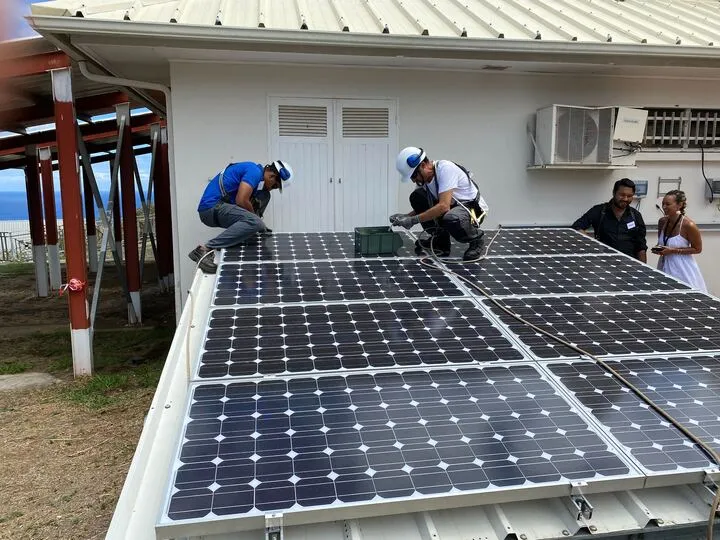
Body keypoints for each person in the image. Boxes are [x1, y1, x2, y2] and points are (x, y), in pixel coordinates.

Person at [189, 160, 294, 273]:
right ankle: (204, 249)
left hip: (221, 207)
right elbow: (241, 200)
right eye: (274, 186)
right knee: (256, 222)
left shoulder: (257, 179)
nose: (272, 188)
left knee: (264, 195)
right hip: (211, 208)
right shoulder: (254, 171)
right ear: (272, 176)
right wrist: (256, 221)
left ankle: (252, 231)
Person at [390, 146, 488, 261]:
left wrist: (413, 220)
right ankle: (441, 241)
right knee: (417, 197)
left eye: (413, 175)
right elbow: (427, 208)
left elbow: (443, 206)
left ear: (422, 165)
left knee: (452, 218)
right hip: (451, 208)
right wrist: (406, 216)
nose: (413, 180)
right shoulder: (425, 180)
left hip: (473, 210)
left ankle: (476, 241)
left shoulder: (445, 169)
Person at [572, 178, 647, 262]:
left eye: (629, 196)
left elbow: (641, 246)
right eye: (622, 195)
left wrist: (644, 268)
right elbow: (576, 227)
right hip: (603, 265)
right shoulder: (599, 211)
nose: (625, 199)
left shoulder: (636, 216)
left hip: (629, 266)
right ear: (614, 193)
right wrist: (593, 243)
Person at [653, 190, 707, 291]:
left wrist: (673, 250)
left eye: (667, 204)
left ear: (679, 205)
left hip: (682, 268)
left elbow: (697, 249)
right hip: (664, 265)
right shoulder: (662, 222)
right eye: (663, 204)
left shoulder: (688, 225)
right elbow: (661, 242)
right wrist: (658, 249)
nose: (664, 207)